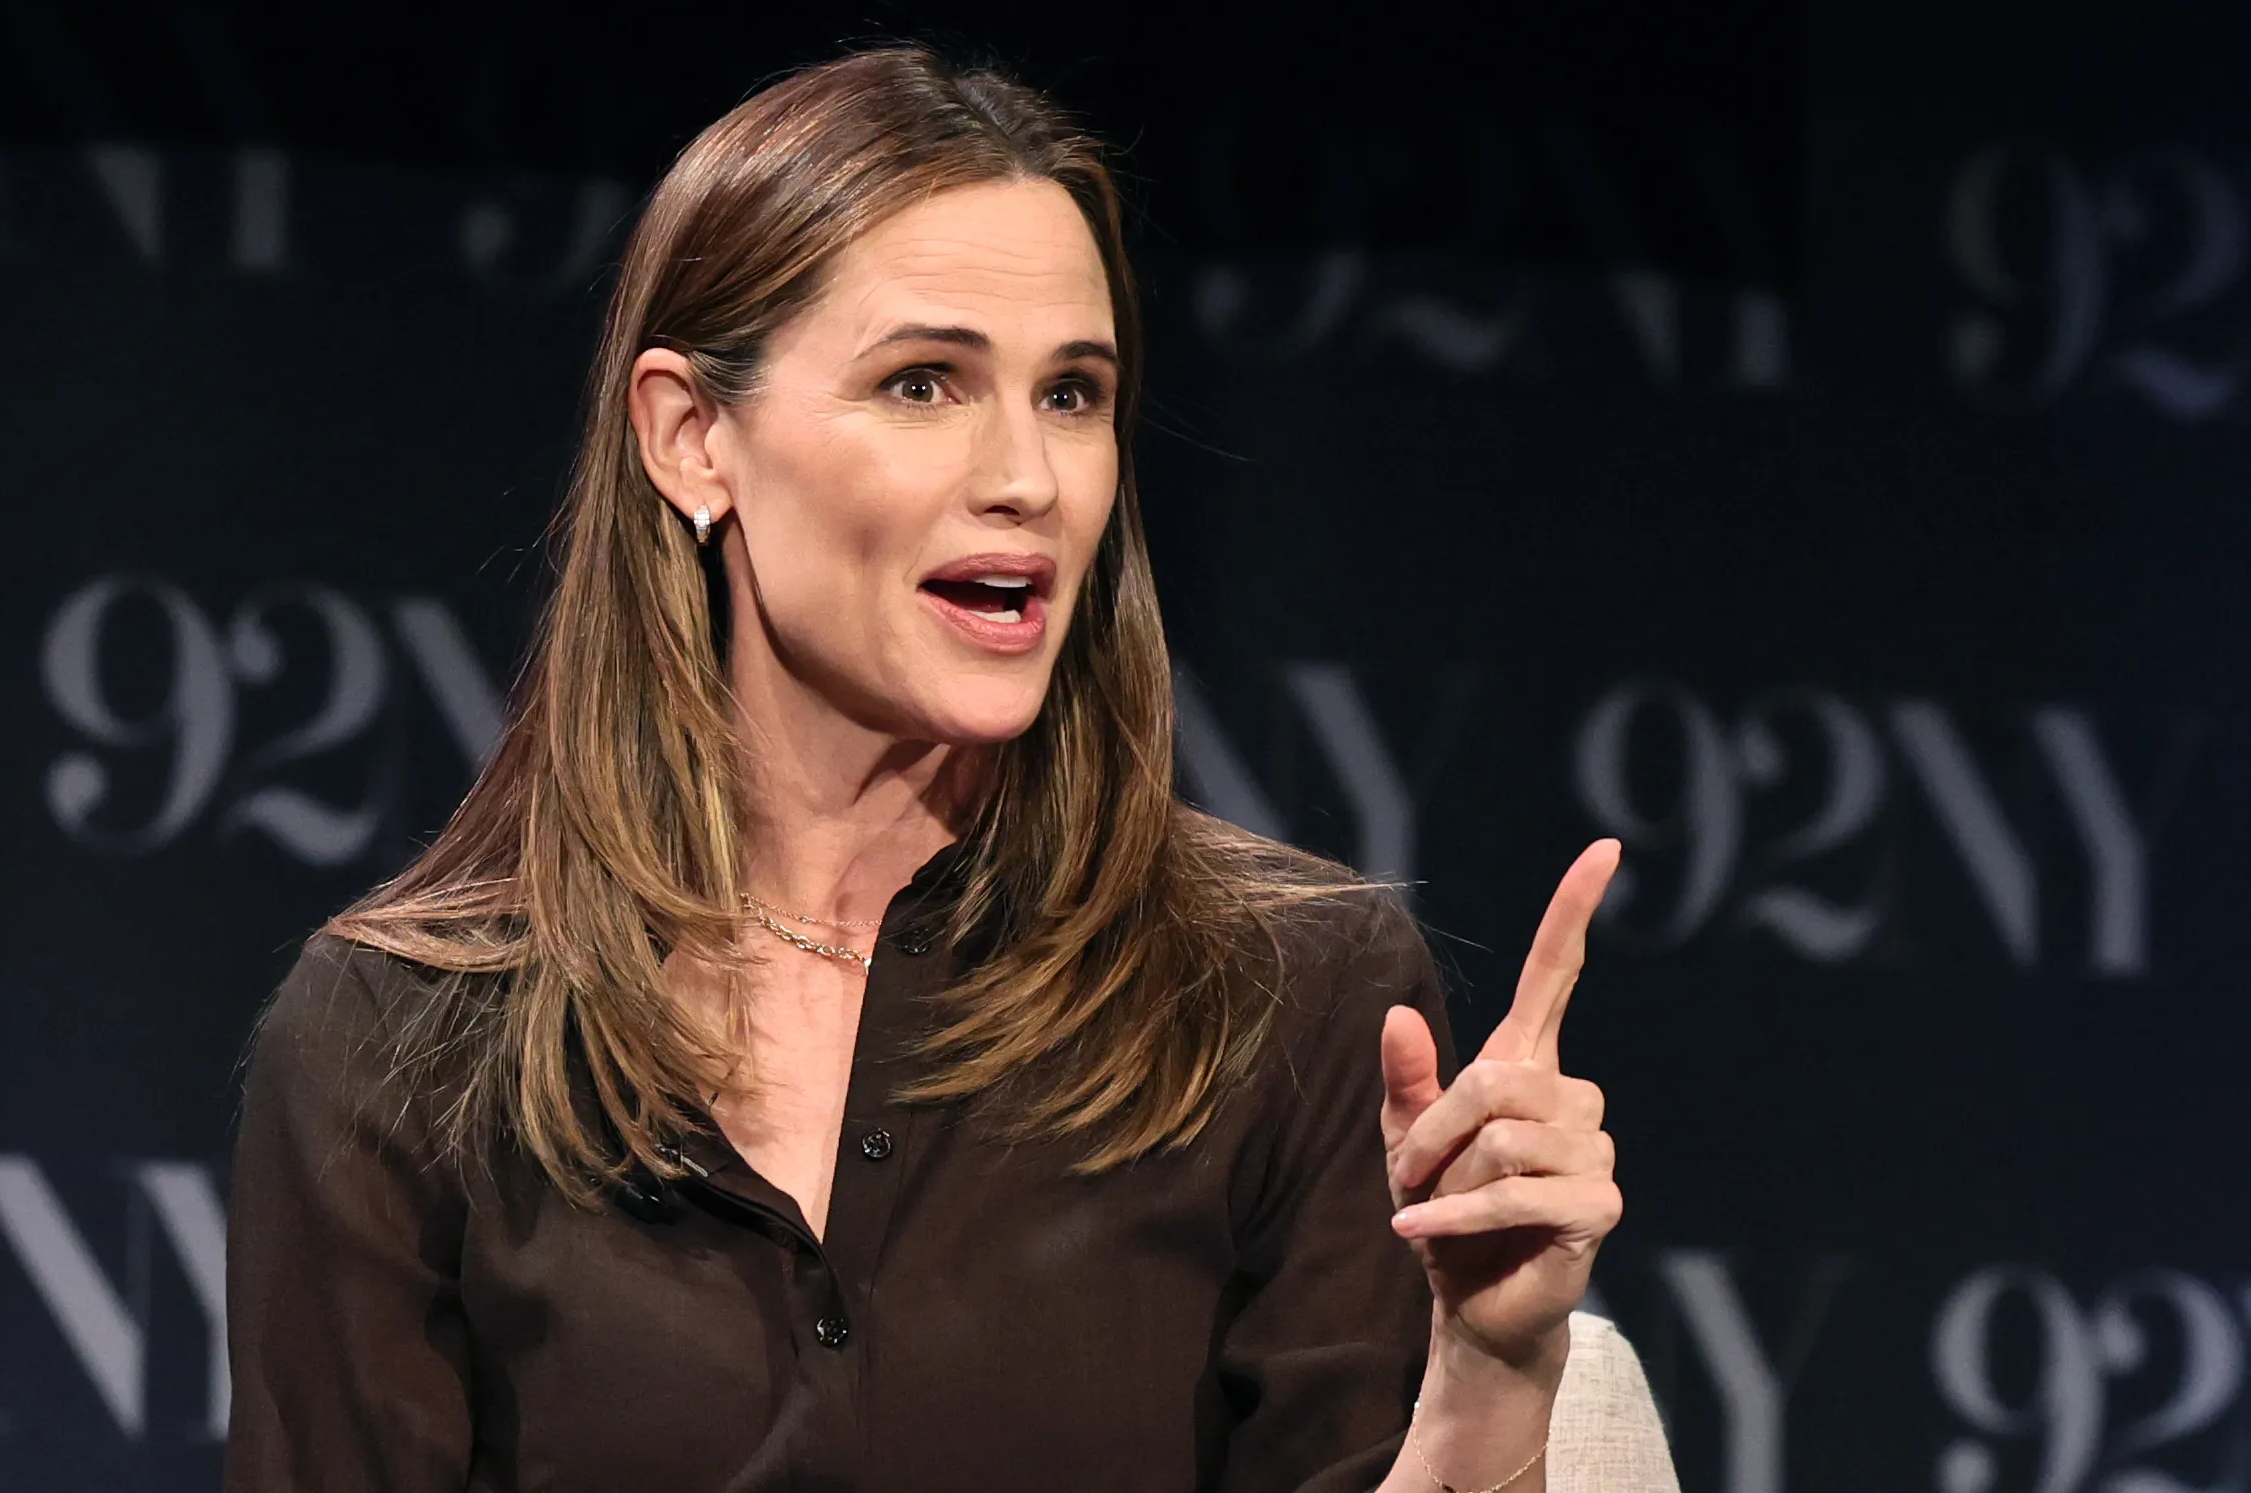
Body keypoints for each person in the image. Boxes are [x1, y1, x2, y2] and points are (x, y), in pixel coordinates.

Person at [223, 46, 1623, 1493]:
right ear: (693, 437)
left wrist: (1491, 1382)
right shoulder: (403, 1041)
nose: (1024, 474)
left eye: (1071, 394)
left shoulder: (1283, 994)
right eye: (922, 384)